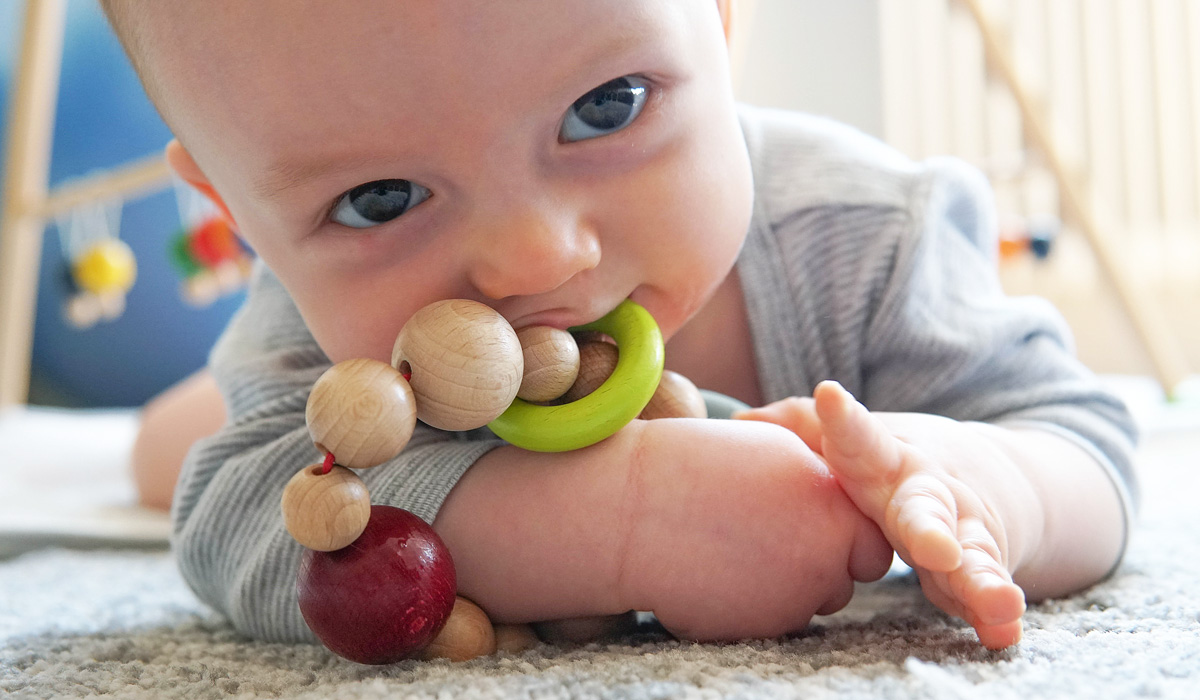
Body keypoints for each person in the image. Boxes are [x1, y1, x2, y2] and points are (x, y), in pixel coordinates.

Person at [107, 0, 1137, 652]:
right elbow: (232, 510)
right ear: (239, 217)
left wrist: (957, 481)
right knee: (171, 450)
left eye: (607, 106)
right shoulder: (331, 347)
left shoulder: (869, 240)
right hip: (309, 377)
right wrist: (629, 520)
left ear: (723, 24)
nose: (535, 259)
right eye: (381, 198)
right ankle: (186, 401)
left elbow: (1078, 438)